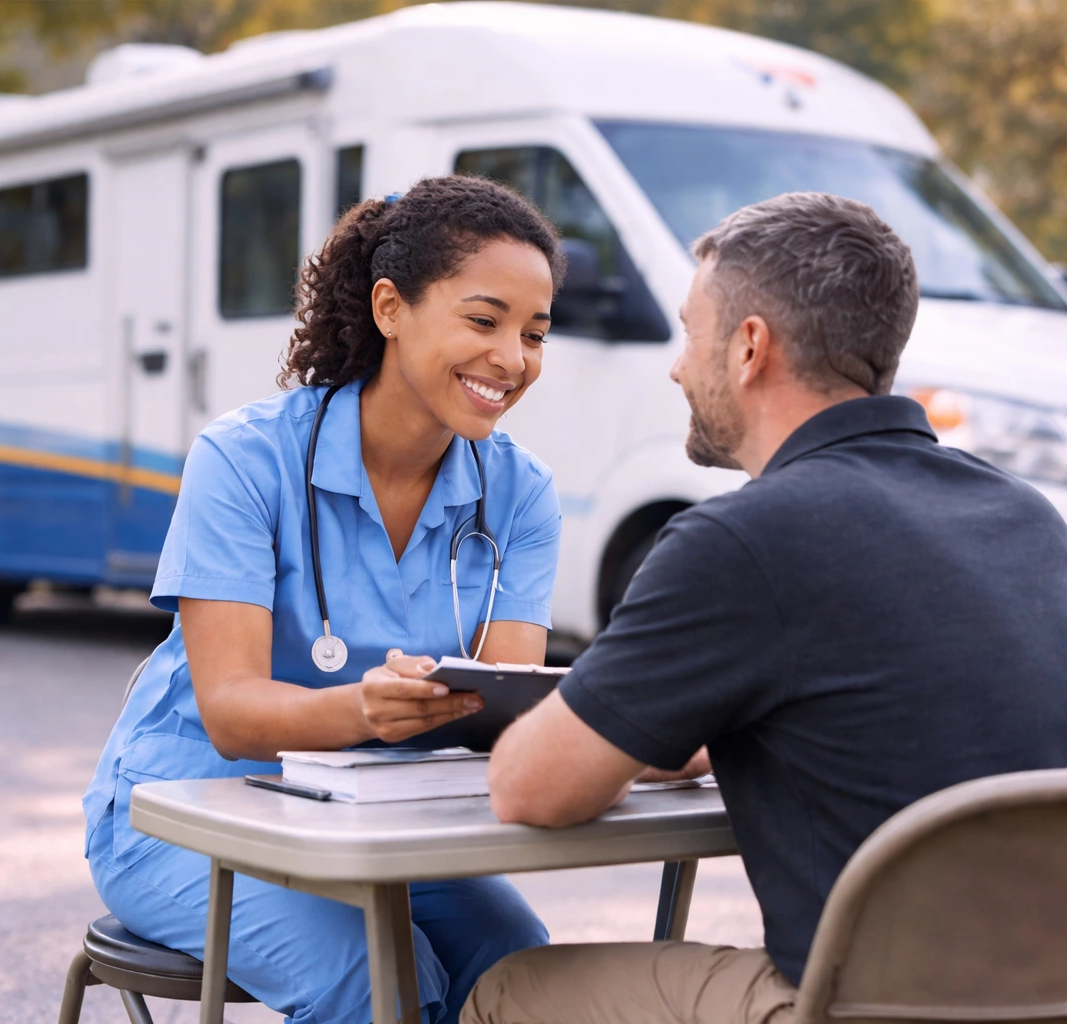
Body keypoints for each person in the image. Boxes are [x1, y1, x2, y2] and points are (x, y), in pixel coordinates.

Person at [467, 192, 1067, 1024]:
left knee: (506, 989)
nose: (677, 367)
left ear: (749, 346)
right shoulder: (1028, 518)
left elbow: (528, 788)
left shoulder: (739, 543)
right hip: (1045, 997)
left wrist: (643, 729)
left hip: (854, 1008)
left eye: (688, 331)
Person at [83, 175, 569, 1024]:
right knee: (384, 980)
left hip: (381, 824)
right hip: (186, 819)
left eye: (534, 333)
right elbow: (231, 713)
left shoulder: (519, 494)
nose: (513, 360)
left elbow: (506, 703)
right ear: (391, 308)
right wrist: (366, 710)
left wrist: (640, 730)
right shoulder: (243, 461)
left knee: (519, 974)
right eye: (484, 321)